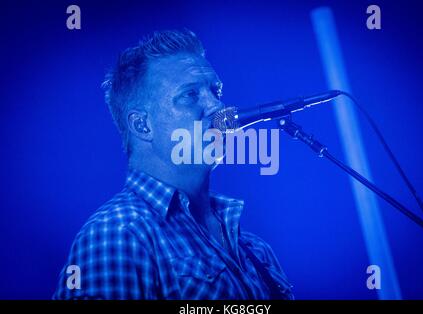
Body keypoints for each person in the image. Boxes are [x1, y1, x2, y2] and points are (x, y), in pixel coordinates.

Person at [53, 29, 294, 299]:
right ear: (142, 125)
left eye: (216, 91)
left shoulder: (255, 250)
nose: (217, 106)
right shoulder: (117, 235)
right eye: (190, 95)